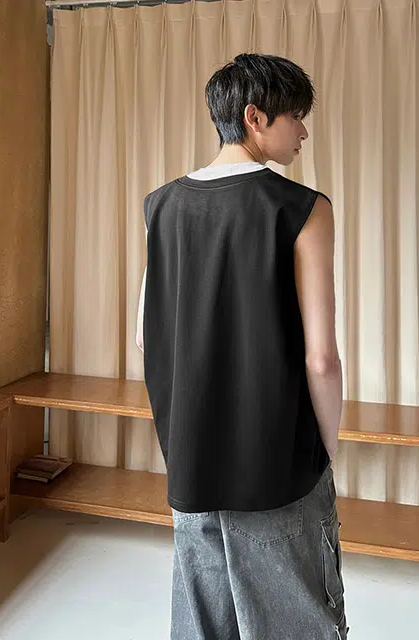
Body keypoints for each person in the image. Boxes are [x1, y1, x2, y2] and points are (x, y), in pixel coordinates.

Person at [136, 53, 347, 640]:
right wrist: (328, 448)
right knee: (296, 621)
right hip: (280, 460)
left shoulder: (161, 204)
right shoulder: (304, 209)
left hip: (192, 457)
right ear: (255, 118)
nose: (303, 131)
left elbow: (145, 335)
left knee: (203, 623)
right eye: (295, 117)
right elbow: (321, 359)